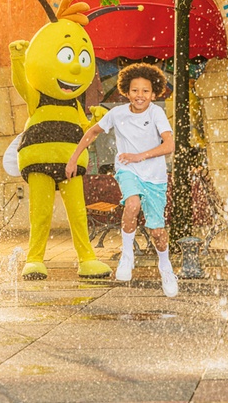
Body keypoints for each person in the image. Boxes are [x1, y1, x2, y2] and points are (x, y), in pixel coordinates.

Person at [65, 63, 178, 297]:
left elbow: (169, 145)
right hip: (128, 170)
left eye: (145, 91)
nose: (140, 95)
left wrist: (140, 155)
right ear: (127, 91)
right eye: (135, 90)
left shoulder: (156, 113)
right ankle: (127, 257)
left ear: (154, 93)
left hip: (155, 177)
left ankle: (165, 267)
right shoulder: (116, 114)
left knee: (157, 232)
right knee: (133, 205)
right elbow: (92, 132)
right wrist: (73, 158)